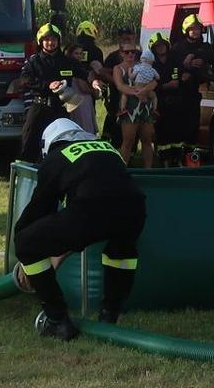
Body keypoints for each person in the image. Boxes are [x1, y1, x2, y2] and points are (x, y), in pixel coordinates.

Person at [12, 119, 147, 340]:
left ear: (49, 143)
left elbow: (40, 210)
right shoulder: (107, 147)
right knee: (121, 251)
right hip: (135, 209)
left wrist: (28, 257)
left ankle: (57, 320)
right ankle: (110, 315)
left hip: (91, 209)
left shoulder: (56, 157)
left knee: (26, 243)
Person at [17, 24, 90, 163]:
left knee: (63, 143)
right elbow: (25, 80)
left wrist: (95, 81)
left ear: (59, 40)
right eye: (46, 39)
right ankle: (25, 171)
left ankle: (60, 170)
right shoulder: (33, 61)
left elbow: (85, 74)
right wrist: (47, 85)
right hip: (39, 107)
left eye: (53, 39)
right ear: (40, 41)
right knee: (29, 140)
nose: (50, 42)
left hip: (60, 109)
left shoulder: (67, 61)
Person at [166, 15, 214, 156]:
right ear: (186, 30)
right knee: (179, 122)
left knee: (194, 123)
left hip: (198, 90)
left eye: (197, 28)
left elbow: (213, 57)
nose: (195, 31)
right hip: (180, 92)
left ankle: (191, 153)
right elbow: (170, 67)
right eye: (192, 29)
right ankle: (176, 154)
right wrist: (184, 67)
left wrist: (194, 58)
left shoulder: (206, 47)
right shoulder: (177, 48)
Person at [114, 42, 160, 167]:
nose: (130, 54)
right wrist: (138, 92)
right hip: (129, 107)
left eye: (133, 52)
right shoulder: (118, 68)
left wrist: (143, 91)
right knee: (128, 141)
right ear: (121, 53)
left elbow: (155, 82)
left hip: (146, 106)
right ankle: (123, 169)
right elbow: (120, 86)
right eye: (127, 52)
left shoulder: (143, 66)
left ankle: (148, 170)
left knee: (147, 140)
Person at [148, 32, 187, 164]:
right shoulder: (151, 64)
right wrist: (165, 86)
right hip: (159, 103)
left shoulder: (175, 60)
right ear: (153, 48)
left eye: (162, 45)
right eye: (157, 46)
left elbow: (183, 76)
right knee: (162, 132)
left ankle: (177, 159)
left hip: (177, 102)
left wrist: (183, 79)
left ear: (167, 45)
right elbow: (148, 86)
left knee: (177, 131)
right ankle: (163, 160)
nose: (160, 48)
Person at [100, 29, 139, 141]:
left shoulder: (140, 55)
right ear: (119, 39)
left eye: (129, 38)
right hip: (116, 97)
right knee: (115, 128)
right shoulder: (113, 56)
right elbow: (103, 72)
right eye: (123, 38)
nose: (126, 40)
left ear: (134, 38)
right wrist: (117, 81)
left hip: (136, 98)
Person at [71, 21, 105, 133]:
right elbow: (99, 71)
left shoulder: (71, 48)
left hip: (71, 89)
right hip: (89, 87)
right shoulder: (96, 51)